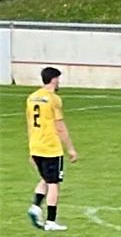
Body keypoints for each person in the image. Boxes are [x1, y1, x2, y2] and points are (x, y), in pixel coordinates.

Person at [26, 66, 78, 231]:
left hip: (36, 146)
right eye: (58, 79)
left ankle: (35, 207)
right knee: (54, 183)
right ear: (54, 79)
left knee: (46, 179)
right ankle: (51, 221)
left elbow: (29, 124)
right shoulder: (53, 99)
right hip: (50, 147)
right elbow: (60, 126)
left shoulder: (32, 98)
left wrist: (30, 149)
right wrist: (70, 149)